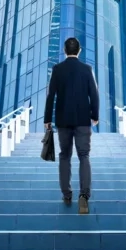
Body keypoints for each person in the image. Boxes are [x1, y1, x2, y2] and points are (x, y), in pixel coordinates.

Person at [44, 36, 99, 214]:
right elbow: (94, 94)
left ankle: (67, 194)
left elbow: (50, 95)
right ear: (79, 50)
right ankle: (84, 196)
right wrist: (95, 115)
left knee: (65, 156)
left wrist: (47, 119)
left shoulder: (57, 69)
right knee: (84, 156)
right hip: (83, 120)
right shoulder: (87, 69)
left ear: (64, 50)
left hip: (63, 120)